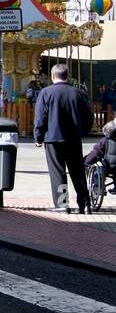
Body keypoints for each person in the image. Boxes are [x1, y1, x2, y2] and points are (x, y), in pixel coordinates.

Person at [33, 63, 93, 213]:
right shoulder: (78, 93)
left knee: (57, 172)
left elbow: (40, 117)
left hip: (53, 138)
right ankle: (85, 204)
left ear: (53, 76)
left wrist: (38, 136)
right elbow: (88, 117)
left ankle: (62, 204)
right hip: (73, 138)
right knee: (77, 171)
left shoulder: (46, 93)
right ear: (68, 76)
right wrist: (82, 132)